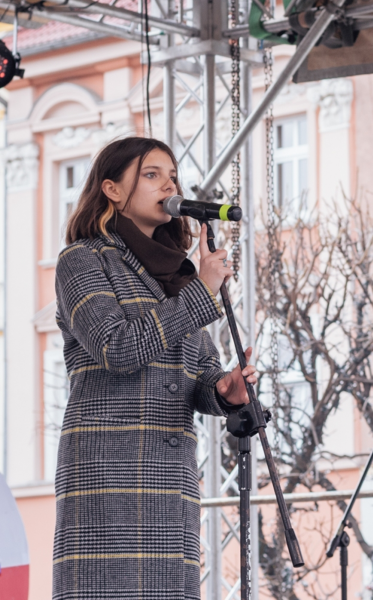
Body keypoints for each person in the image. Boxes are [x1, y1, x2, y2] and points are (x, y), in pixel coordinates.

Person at [53, 137, 257, 600]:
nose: (169, 183)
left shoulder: (176, 276)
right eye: (152, 174)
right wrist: (202, 293)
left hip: (171, 484)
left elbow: (199, 375)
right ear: (112, 189)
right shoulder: (82, 260)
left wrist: (225, 390)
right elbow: (116, 347)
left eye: (172, 174)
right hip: (108, 481)